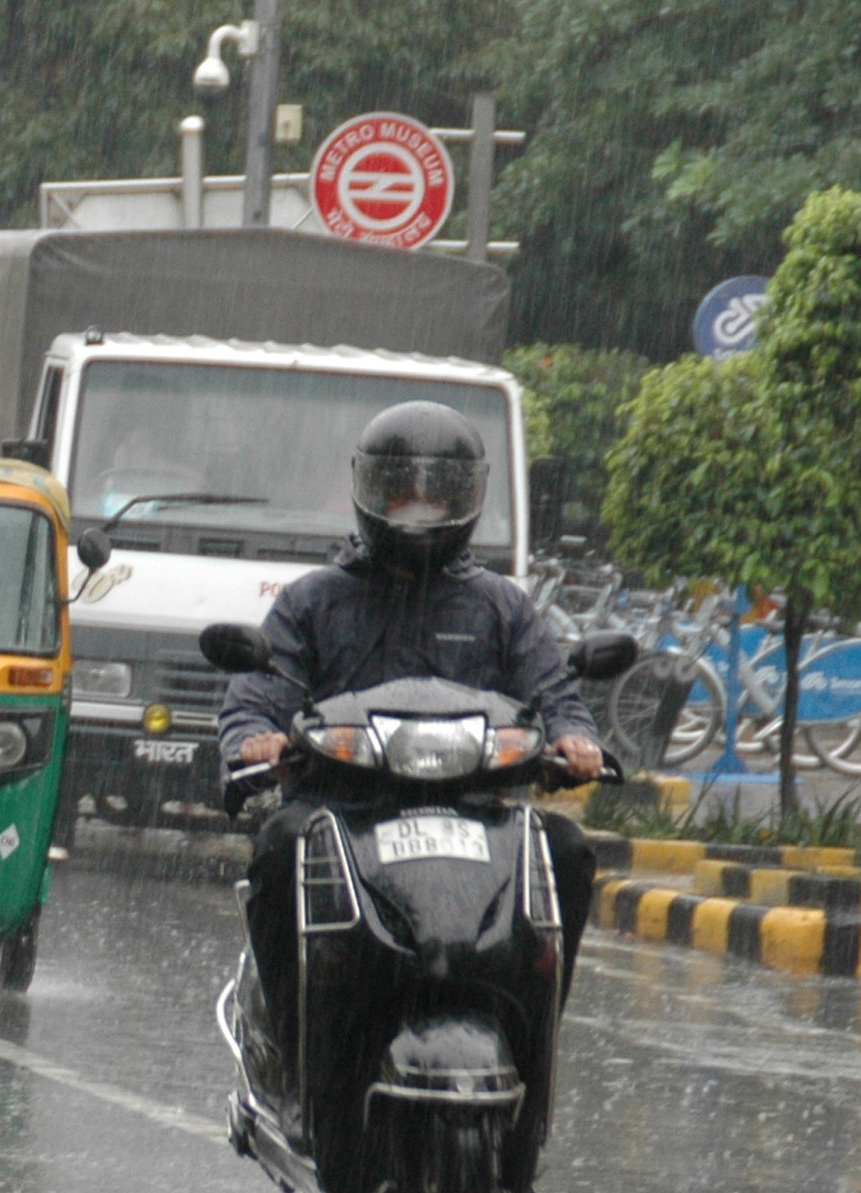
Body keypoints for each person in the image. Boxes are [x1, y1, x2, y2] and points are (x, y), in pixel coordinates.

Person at [218, 401, 604, 1105]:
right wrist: (255, 741)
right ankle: (292, 1043)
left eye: (437, 493)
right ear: (370, 491)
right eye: (402, 490)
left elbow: (554, 693)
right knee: (277, 849)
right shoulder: (313, 602)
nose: (419, 508)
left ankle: (534, 1038)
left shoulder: (501, 607)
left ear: (468, 499)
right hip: (342, 813)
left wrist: (575, 740)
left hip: (479, 819)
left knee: (569, 852)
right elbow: (257, 696)